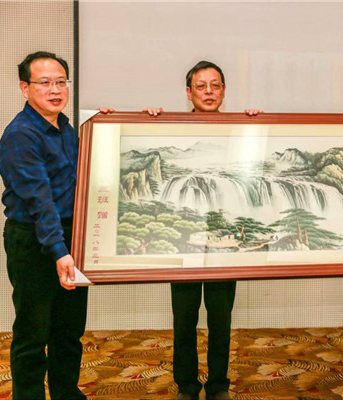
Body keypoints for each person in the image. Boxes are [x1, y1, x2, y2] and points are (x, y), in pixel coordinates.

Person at [145, 60, 260, 400]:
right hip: (184, 244)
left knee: (221, 318)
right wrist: (147, 122)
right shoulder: (173, 128)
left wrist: (260, 126)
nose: (208, 92)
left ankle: (219, 385)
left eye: (215, 85)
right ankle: (187, 385)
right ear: (189, 92)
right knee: (184, 318)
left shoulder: (239, 128)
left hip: (224, 244)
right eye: (201, 86)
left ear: (224, 90)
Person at [0, 51, 89, 400]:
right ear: (25, 88)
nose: (55, 90)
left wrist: (108, 125)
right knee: (33, 334)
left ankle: (67, 393)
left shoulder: (65, 128)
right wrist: (59, 251)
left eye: (61, 82)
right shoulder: (21, 135)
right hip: (35, 240)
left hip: (68, 236)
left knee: (68, 330)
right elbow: (40, 202)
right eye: (45, 82)